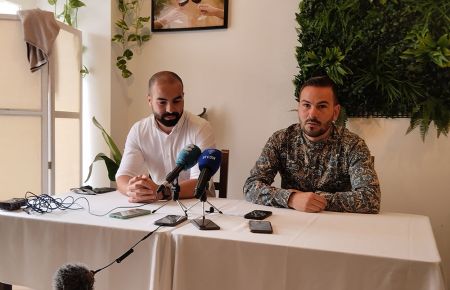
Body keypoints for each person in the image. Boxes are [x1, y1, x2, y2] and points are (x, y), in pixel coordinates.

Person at [243, 76, 381, 213]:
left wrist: (316, 200)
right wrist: (291, 198)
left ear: (335, 112)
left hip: (336, 226)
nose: (312, 113)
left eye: (321, 106)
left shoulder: (352, 145)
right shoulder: (281, 139)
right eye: (306, 105)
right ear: (298, 108)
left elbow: (371, 198)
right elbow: (250, 187)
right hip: (290, 224)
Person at [116, 71, 215, 203]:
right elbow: (123, 175)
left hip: (198, 205)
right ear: (149, 101)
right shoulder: (139, 130)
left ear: (183, 97)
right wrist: (133, 189)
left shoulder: (201, 128)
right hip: (158, 204)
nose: (170, 109)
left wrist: (163, 192)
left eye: (177, 101)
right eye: (162, 102)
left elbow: (200, 182)